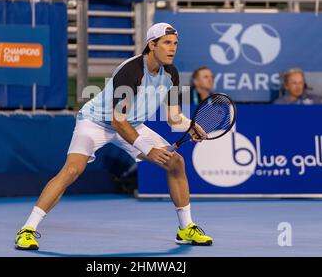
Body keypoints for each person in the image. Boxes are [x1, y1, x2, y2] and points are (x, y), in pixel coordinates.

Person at [14, 23, 213, 250]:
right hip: (96, 122)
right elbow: (118, 121)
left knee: (176, 162)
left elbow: (174, 118)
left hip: (133, 124)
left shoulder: (171, 73)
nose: (173, 48)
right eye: (167, 43)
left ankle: (186, 228)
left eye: (175, 43)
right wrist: (148, 150)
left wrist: (192, 126)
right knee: (72, 169)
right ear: (152, 44)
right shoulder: (131, 70)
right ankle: (27, 229)